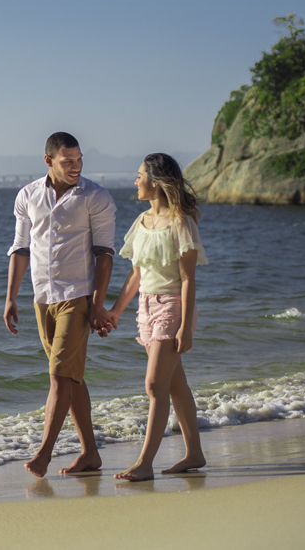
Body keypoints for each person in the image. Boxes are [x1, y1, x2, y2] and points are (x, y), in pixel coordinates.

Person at [3, 132, 117, 477]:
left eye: (79, 160)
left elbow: (105, 255)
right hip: (43, 297)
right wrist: (10, 297)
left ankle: (43, 454)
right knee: (71, 378)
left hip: (77, 297)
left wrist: (97, 304)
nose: (75, 166)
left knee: (58, 377)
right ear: (48, 160)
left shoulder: (95, 197)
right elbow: (21, 248)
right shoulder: (28, 196)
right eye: (67, 161)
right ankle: (90, 454)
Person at [108, 153, 207, 481]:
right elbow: (136, 276)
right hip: (146, 308)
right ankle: (194, 453)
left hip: (172, 307)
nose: (136, 181)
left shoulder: (181, 223)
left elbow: (188, 279)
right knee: (175, 384)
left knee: (154, 385)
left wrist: (185, 327)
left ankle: (145, 463)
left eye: (140, 175)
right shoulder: (141, 221)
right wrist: (115, 311)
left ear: (156, 181)